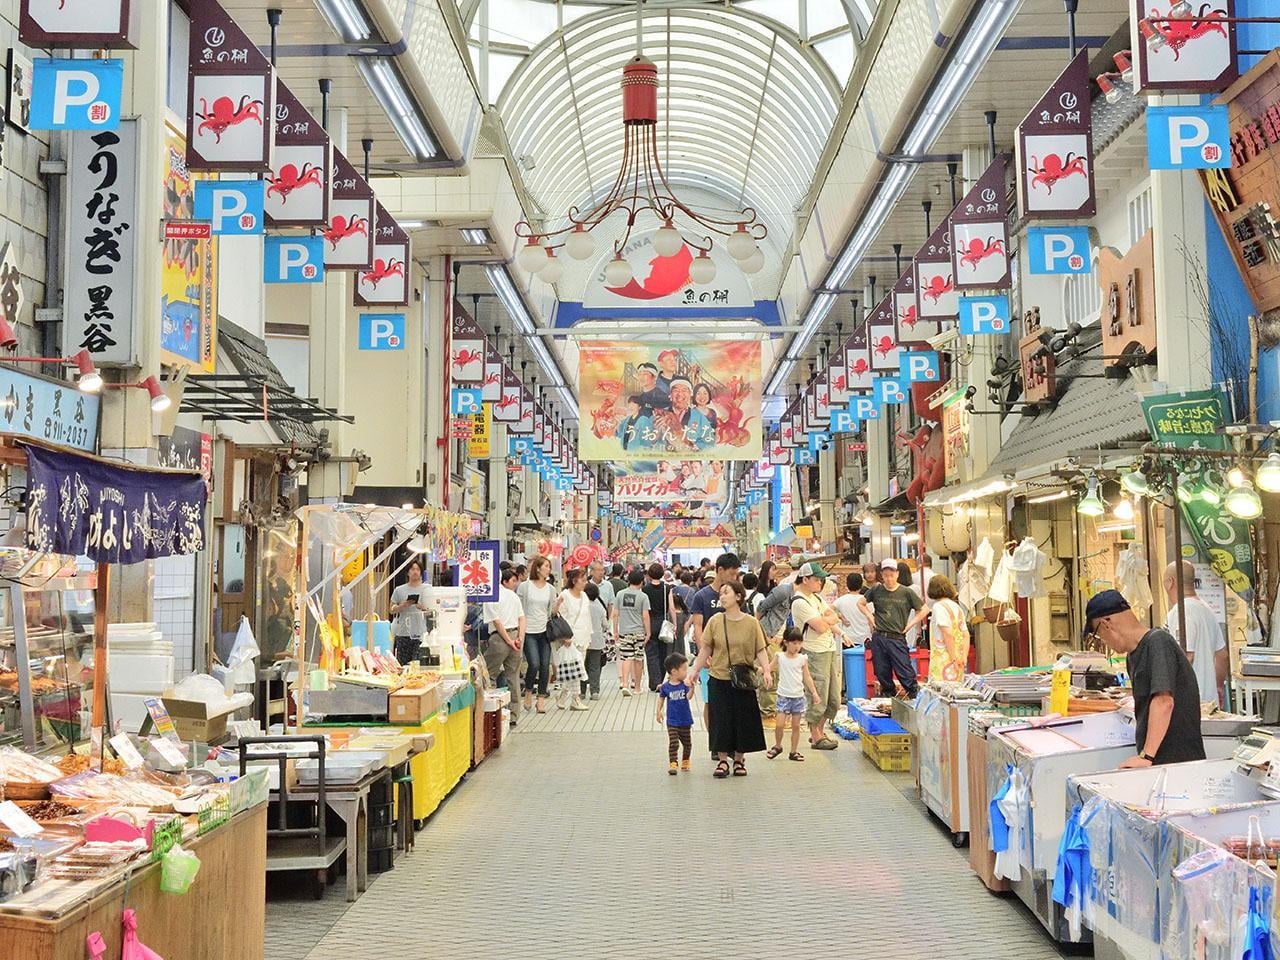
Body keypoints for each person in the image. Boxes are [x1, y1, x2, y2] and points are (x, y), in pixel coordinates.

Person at [1085, 589, 1205, 767]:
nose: (1103, 641)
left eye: (1098, 635)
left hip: (1178, 765)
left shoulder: (1158, 642)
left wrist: (1146, 757)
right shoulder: (1133, 655)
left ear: (1105, 625)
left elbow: (1164, 701)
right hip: (1158, 762)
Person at [687, 580, 773, 777]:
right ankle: (723, 760)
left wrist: (767, 671)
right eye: (721, 593)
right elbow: (706, 648)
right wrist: (694, 670)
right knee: (721, 720)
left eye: (726, 593)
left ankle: (739, 760)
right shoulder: (716, 621)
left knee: (742, 720)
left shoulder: (751, 623)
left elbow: (760, 649)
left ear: (739, 597)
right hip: (719, 677)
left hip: (743, 679)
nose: (722, 596)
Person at [789, 562, 845, 750]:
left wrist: (826, 620)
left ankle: (820, 731)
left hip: (827, 649)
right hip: (813, 653)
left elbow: (832, 615)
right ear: (805, 579)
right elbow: (820, 626)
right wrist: (827, 620)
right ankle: (815, 735)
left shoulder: (815, 599)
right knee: (817, 694)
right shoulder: (799, 601)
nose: (820, 583)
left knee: (833, 698)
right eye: (817, 579)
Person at [856, 558, 928, 699]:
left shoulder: (906, 592)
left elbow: (924, 609)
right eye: (886, 575)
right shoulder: (876, 589)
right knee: (882, 673)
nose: (889, 578)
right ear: (881, 575)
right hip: (879, 637)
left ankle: (916, 699)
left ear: (897, 574)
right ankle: (888, 700)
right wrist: (871, 618)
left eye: (892, 574)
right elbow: (861, 603)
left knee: (905, 672)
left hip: (897, 638)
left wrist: (910, 624)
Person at [1162, 560, 1228, 705]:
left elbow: (1186, 655)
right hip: (1209, 703)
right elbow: (1222, 655)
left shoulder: (1182, 611)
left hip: (1189, 703)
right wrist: (1217, 687)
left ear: (1170, 582)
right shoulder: (1206, 609)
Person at [766, 627, 822, 762]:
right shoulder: (779, 657)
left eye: (799, 643)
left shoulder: (802, 659)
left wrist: (814, 693)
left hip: (798, 696)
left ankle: (793, 751)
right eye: (794, 643)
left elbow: (807, 677)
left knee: (796, 726)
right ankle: (778, 745)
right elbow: (769, 668)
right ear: (786, 643)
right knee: (779, 724)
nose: (797, 646)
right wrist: (760, 671)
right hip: (783, 695)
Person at [483, 567, 525, 727]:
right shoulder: (512, 595)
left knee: (488, 675)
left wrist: (508, 641)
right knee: (513, 676)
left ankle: (491, 713)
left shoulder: (491, 596)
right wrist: (519, 638)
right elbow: (522, 618)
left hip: (500, 639)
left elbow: (497, 622)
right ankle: (514, 715)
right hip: (515, 637)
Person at [517, 556, 556, 714]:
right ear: (538, 568)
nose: (548, 569)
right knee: (534, 663)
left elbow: (551, 612)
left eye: (549, 566)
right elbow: (519, 609)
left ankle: (540, 699)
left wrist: (557, 606)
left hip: (544, 630)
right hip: (529, 630)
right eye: (546, 566)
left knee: (545, 665)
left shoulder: (551, 589)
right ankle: (528, 690)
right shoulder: (525, 587)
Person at [550, 568, 592, 711]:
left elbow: (587, 617)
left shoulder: (585, 596)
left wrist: (589, 635)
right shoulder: (565, 595)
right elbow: (557, 615)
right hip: (570, 638)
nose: (585, 583)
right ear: (574, 580)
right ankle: (575, 699)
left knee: (575, 669)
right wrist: (564, 637)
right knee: (577, 669)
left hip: (583, 637)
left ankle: (563, 695)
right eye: (583, 579)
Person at [612, 569, 651, 697]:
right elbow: (645, 616)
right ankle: (638, 687)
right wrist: (648, 632)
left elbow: (615, 613)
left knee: (626, 657)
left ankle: (624, 683)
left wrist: (615, 630)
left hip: (624, 631)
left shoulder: (620, 594)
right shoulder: (643, 596)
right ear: (641, 581)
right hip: (639, 631)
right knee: (638, 659)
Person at [656, 653, 696, 775]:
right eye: (684, 669)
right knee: (673, 742)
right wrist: (659, 711)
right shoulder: (666, 687)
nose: (686, 672)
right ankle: (673, 762)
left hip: (685, 720)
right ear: (674, 671)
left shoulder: (684, 685)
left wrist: (692, 688)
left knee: (687, 743)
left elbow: (689, 697)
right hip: (672, 720)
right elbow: (661, 698)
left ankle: (685, 760)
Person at [926, 574, 969, 683]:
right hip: (959, 659)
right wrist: (964, 656)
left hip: (944, 659)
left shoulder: (938, 607)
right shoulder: (957, 607)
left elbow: (947, 634)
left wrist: (953, 658)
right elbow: (965, 634)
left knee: (942, 693)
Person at [389, 559, 431, 665]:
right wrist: (402, 606)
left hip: (421, 634)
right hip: (403, 633)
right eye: (412, 569)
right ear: (408, 572)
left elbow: (433, 610)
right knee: (402, 665)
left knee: (417, 664)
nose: (415, 572)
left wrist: (422, 607)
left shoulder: (428, 589)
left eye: (417, 569)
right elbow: (391, 609)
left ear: (421, 572)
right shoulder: (399, 590)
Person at [642, 562, 675, 691]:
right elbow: (671, 608)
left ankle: (654, 683)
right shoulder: (667, 588)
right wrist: (675, 624)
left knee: (651, 654)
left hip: (650, 622)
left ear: (649, 574)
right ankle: (660, 680)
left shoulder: (645, 589)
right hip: (663, 622)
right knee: (663, 653)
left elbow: (644, 610)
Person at [582, 583, 609, 700]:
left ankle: (581, 691)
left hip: (583, 640)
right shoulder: (600, 607)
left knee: (582, 666)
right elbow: (606, 625)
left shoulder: (582, 606)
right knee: (595, 667)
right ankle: (594, 691)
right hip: (597, 641)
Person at [834, 572, 872, 647]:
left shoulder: (841, 600)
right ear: (861, 585)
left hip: (848, 640)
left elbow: (827, 610)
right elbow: (871, 621)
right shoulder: (867, 601)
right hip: (865, 639)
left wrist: (841, 616)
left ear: (847, 584)